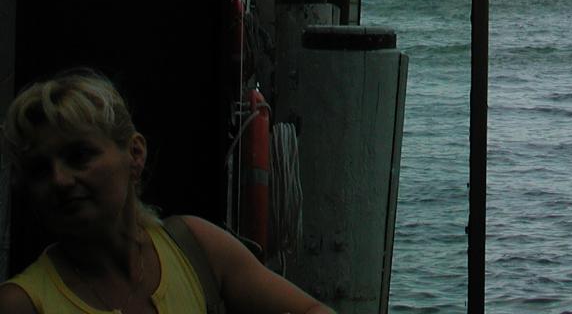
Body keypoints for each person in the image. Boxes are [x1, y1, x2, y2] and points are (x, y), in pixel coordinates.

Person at [1, 71, 335, 314]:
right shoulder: (25, 302)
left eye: (79, 156)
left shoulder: (194, 247)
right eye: (40, 169)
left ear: (134, 154)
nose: (59, 180)